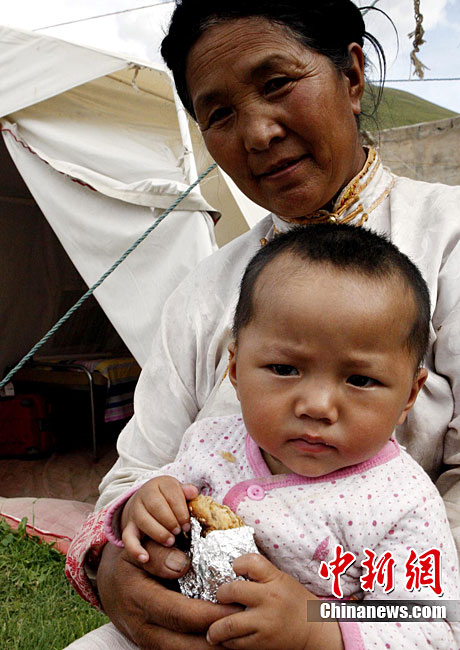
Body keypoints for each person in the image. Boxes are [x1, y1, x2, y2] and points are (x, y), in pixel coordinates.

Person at [64, 1, 460, 648]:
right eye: (219, 114)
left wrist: (321, 624)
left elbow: (434, 604)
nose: (256, 133)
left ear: (351, 76)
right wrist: (114, 568)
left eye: (277, 83)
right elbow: (138, 475)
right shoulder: (202, 296)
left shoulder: (449, 244)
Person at [103, 225, 459, 649]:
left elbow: (427, 625)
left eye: (360, 379)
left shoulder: (401, 503)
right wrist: (142, 506)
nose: (317, 406)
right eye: (285, 369)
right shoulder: (210, 443)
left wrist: (314, 627)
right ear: (235, 369)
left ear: (409, 396)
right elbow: (157, 495)